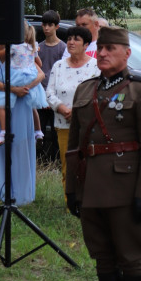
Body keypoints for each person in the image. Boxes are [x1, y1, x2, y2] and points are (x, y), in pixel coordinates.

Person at [65, 26, 141, 281]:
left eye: (111, 48)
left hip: (126, 187)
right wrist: (71, 190)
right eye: (101, 48)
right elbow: (75, 147)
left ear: (126, 53)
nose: (104, 53)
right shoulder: (85, 90)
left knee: (130, 256)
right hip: (91, 185)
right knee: (103, 256)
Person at [0, 41, 42, 206]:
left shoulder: (21, 49)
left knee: (20, 145)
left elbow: (40, 73)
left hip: (22, 101)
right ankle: (5, 192)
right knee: (2, 147)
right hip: (1, 99)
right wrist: (14, 89)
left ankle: (22, 193)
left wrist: (25, 88)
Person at [46, 26, 99, 189]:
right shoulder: (58, 66)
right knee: (67, 167)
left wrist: (77, 111)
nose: (71, 42)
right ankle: (70, 205)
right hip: (63, 124)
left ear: (86, 45)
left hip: (87, 125)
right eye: (69, 39)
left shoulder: (95, 66)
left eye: (76, 39)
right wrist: (61, 107)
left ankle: (88, 204)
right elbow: (49, 92)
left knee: (89, 165)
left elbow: (98, 93)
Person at [0, 35, 45, 149]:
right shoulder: (29, 47)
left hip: (17, 86)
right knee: (31, 108)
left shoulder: (13, 49)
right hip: (18, 83)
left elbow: (41, 72)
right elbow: (39, 63)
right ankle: (38, 131)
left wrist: (25, 87)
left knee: (3, 104)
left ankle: (4, 132)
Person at [38, 10, 67, 161]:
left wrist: (51, 98)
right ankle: (41, 159)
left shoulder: (63, 48)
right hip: (39, 96)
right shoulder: (39, 48)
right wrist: (42, 96)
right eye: (44, 25)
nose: (46, 28)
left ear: (57, 26)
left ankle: (56, 160)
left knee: (56, 132)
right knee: (39, 131)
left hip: (56, 97)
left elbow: (62, 76)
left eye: (50, 25)